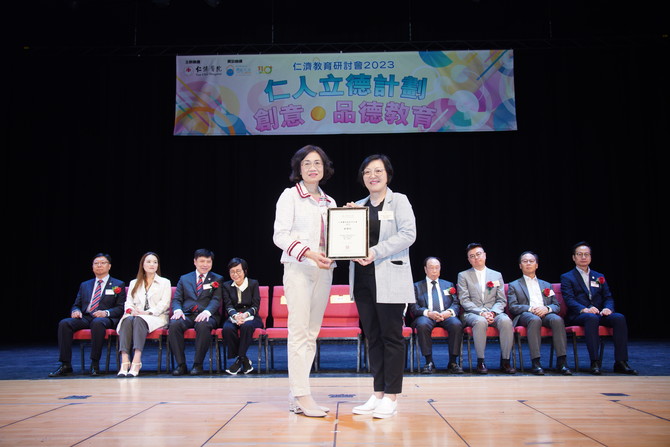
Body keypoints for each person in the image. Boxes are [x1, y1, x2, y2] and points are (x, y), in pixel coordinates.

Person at [348, 154, 416, 419]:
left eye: (377, 171)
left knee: (391, 336)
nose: (372, 176)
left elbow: (408, 235)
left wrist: (375, 251)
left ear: (387, 174)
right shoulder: (358, 206)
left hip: (390, 276)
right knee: (372, 337)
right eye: (367, 172)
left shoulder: (399, 201)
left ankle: (392, 396)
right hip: (363, 279)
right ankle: (377, 394)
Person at [272, 144, 336, 418]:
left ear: (325, 168)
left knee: (311, 333)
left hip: (324, 271)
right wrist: (308, 252)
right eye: (307, 163)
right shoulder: (290, 197)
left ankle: (295, 394)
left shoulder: (330, 202)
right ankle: (302, 394)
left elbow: (336, 240)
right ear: (299, 168)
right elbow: (280, 236)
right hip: (298, 268)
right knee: (298, 332)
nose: (313, 168)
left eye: (318, 163)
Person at [560, 241, 637, 375]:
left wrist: (608, 308)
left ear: (590, 257)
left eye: (586, 254)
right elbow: (569, 299)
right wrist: (585, 309)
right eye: (580, 254)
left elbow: (608, 297)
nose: (583, 257)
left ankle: (621, 362)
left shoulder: (599, 276)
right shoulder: (567, 277)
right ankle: (594, 361)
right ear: (574, 257)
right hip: (580, 315)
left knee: (619, 318)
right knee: (591, 318)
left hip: (599, 313)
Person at [49, 253, 126, 377]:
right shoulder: (85, 285)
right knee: (64, 323)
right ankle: (65, 364)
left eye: (102, 263)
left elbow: (120, 308)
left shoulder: (118, 284)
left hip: (106, 319)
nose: (99, 265)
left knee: (97, 323)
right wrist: (75, 311)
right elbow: (76, 304)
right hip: (86, 317)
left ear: (109, 266)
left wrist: (105, 313)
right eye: (96, 263)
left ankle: (94, 363)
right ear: (92, 267)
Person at [507, 251, 572, 375]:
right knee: (534, 319)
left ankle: (562, 362)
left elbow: (556, 305)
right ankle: (536, 362)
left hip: (545, 313)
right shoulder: (514, 285)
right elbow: (513, 307)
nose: (528, 264)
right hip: (525, 315)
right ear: (520, 265)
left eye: (531, 261)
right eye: (525, 261)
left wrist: (546, 309)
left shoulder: (546, 285)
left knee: (557, 320)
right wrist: (531, 309)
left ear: (536, 265)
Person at [457, 243, 516, 374]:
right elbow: (464, 300)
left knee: (506, 321)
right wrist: (482, 312)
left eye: (478, 254)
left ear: (484, 255)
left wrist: (493, 312)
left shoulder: (496, 275)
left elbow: (501, 300)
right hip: (473, 313)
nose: (476, 258)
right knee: (480, 321)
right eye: (472, 256)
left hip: (494, 311)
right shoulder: (463, 275)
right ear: (469, 260)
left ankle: (505, 361)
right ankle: (480, 361)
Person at [168, 248, 223, 376]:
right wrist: (177, 310)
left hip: (208, 315)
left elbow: (216, 299)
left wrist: (207, 312)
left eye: (208, 261)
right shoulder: (184, 278)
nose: (205, 264)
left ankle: (197, 364)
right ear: (195, 262)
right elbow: (177, 299)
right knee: (174, 324)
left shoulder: (217, 279)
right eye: (202, 261)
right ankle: (181, 364)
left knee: (203, 325)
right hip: (187, 314)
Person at [116, 252, 171, 377]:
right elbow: (128, 302)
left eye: (155, 262)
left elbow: (165, 304)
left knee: (139, 320)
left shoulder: (164, 282)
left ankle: (136, 359)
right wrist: (131, 311)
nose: (152, 264)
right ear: (143, 264)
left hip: (156, 316)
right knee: (127, 320)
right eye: (149, 261)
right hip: (135, 315)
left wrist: (147, 312)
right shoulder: (134, 282)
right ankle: (124, 360)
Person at [409, 257, 464, 374]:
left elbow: (456, 304)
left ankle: (453, 362)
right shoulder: (416, 286)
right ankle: (429, 362)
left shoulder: (448, 284)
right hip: (426, 316)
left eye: (437, 268)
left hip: (445, 315)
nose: (434, 271)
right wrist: (429, 313)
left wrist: (448, 312)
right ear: (425, 269)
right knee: (422, 325)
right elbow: (414, 307)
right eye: (431, 268)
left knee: (456, 324)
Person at [221, 257, 264, 375]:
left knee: (247, 326)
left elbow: (256, 305)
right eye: (232, 272)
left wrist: (245, 315)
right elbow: (228, 305)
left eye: (238, 271)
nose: (235, 274)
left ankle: (238, 360)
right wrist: (235, 316)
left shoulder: (253, 284)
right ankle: (244, 360)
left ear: (245, 271)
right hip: (234, 316)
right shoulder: (226, 286)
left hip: (251, 315)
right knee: (227, 328)